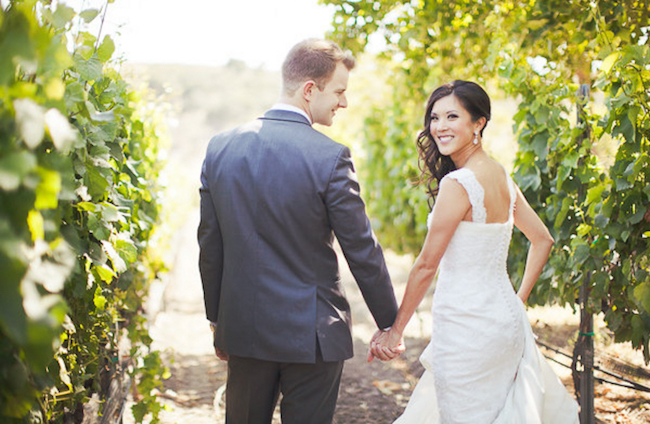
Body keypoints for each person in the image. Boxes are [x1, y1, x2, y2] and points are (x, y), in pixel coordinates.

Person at [198, 38, 399, 424]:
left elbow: (210, 243)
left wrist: (218, 319)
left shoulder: (220, 148)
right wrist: (389, 323)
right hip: (314, 335)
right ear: (310, 90)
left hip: (244, 328)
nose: (343, 103)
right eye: (339, 91)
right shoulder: (330, 156)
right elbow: (361, 248)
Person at [370, 80, 579, 423]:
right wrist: (519, 299)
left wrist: (396, 330)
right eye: (435, 118)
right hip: (505, 322)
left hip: (465, 328)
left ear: (478, 123)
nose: (439, 126)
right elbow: (543, 239)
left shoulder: (459, 184)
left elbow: (426, 265)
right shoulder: (499, 174)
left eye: (452, 116)